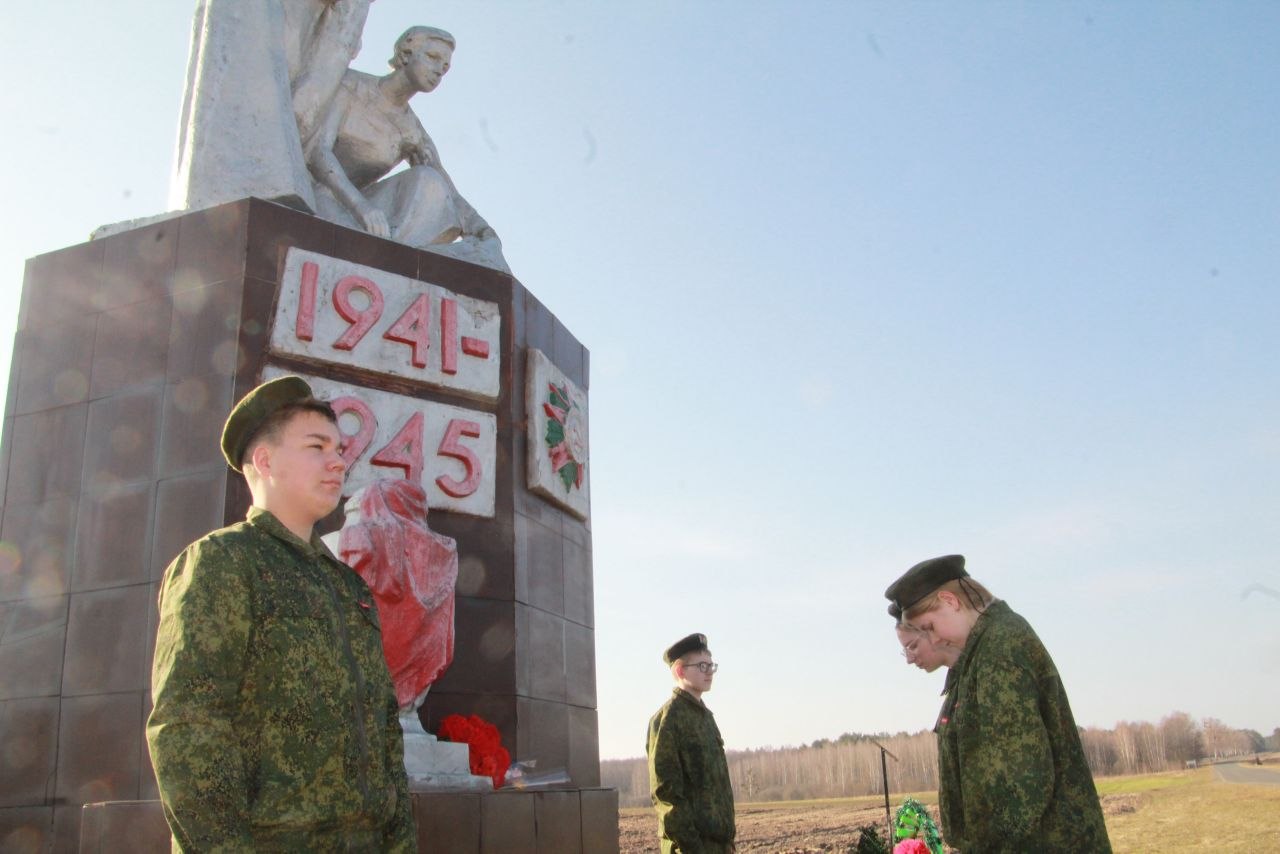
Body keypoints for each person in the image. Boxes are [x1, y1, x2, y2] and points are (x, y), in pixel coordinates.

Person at [147, 376, 416, 851]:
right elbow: (188, 727)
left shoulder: (347, 584)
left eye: (339, 448)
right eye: (317, 446)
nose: (338, 461)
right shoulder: (223, 562)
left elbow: (384, 732)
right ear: (266, 460)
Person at [885, 555, 1111, 853]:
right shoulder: (979, 652)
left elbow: (1020, 788)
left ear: (950, 601)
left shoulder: (999, 648)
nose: (934, 639)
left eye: (929, 626)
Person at [306, 25, 508, 271]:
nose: (438, 72)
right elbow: (318, 152)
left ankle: (395, 263)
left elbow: (448, 193)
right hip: (321, 198)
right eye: (433, 58)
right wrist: (362, 208)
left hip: (371, 220)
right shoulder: (351, 84)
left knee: (429, 180)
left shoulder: (412, 130)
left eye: (445, 68)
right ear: (405, 54)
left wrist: (484, 232)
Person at [646, 633, 736, 853]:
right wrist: (694, 848)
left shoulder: (705, 717)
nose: (709, 673)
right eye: (702, 666)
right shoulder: (667, 719)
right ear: (680, 671)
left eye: (711, 666)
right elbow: (667, 796)